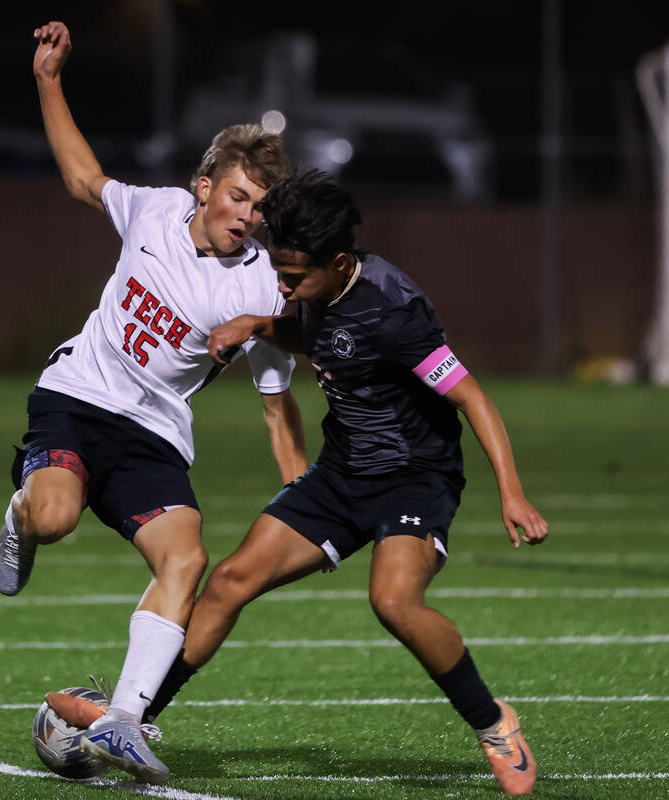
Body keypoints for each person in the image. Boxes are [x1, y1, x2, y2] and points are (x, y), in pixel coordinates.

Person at [122, 169, 549, 794]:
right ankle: (132, 719)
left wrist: (511, 492)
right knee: (231, 582)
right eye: (279, 270)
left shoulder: (395, 309)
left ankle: (493, 723)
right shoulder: (316, 288)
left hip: (413, 479)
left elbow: (474, 398)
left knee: (394, 602)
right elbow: (322, 336)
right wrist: (258, 324)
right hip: (341, 472)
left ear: (340, 261)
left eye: (294, 277)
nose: (282, 284)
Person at [0, 21, 308, 785]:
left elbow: (276, 399)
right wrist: (48, 80)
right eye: (237, 196)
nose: (247, 215)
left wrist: (301, 480)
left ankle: (127, 719)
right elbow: (80, 177)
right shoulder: (156, 211)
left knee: (188, 555)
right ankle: (20, 514)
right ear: (205, 188)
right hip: (76, 397)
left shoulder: (263, 286)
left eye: (261, 207)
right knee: (57, 516)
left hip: (153, 435)